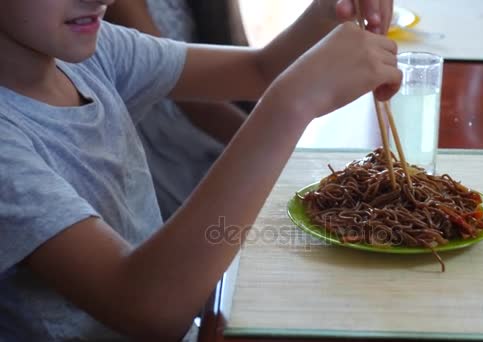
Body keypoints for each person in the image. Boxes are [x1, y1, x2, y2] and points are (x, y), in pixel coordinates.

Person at [0, 0, 399, 340]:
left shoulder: (93, 53)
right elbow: (145, 307)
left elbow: (260, 70)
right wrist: (290, 104)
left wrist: (329, 10)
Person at [105, 0, 249, 220]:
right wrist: (273, 141)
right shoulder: (122, 7)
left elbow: (258, 67)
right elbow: (187, 96)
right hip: (167, 135)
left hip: (203, 116)